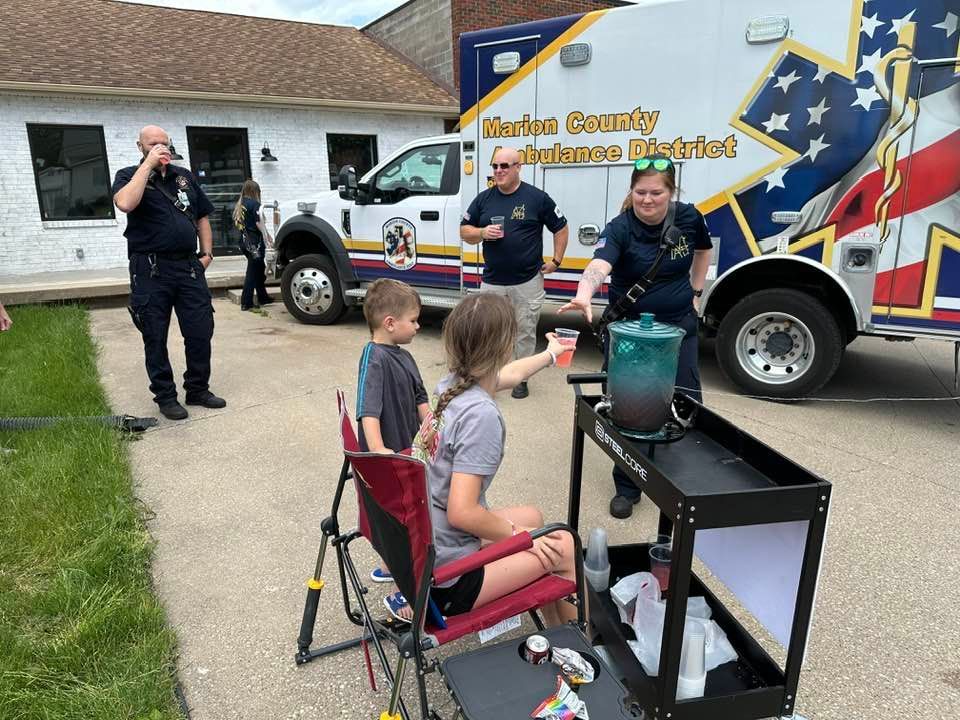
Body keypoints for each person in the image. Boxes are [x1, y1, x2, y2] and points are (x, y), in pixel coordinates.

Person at [560, 155, 712, 519]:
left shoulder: (689, 217)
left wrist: (696, 289)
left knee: (687, 404)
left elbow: (704, 250)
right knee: (629, 408)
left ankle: (677, 483)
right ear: (632, 192)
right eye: (640, 192)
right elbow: (598, 265)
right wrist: (584, 292)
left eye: (656, 192)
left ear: (671, 192)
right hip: (631, 335)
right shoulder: (620, 228)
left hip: (678, 328)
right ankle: (628, 485)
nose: (647, 199)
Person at [415, 293, 578, 625]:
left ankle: (557, 630)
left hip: (431, 545)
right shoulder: (481, 415)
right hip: (451, 580)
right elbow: (463, 512)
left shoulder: (453, 385)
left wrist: (550, 354)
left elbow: (513, 375)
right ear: (505, 348)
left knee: (535, 516)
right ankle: (583, 648)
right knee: (566, 545)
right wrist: (523, 538)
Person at [113, 125, 226, 421]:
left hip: (188, 266)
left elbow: (202, 216)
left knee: (201, 329)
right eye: (153, 144)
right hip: (150, 269)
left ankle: (198, 389)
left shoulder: (184, 177)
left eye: (164, 143)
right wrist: (148, 166)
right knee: (154, 334)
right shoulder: (128, 176)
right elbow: (125, 203)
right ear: (140, 147)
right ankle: (165, 396)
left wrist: (207, 254)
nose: (161, 147)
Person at [460, 147, 569, 400]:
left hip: (527, 280)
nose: (499, 171)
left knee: (525, 331)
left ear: (518, 167)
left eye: (505, 166)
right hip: (492, 281)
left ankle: (521, 378)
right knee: (488, 331)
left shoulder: (537, 198)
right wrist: (482, 233)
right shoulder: (483, 199)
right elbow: (464, 231)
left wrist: (556, 260)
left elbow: (561, 228)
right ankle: (487, 378)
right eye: (495, 166)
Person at [355, 279, 430, 603]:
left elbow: (419, 396)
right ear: (390, 323)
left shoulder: (404, 356)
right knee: (395, 518)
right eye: (412, 320)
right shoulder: (374, 358)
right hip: (387, 456)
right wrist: (377, 449)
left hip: (406, 448)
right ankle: (400, 583)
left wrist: (431, 427)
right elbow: (367, 408)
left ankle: (391, 566)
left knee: (401, 515)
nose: (417, 326)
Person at [232, 179, 275, 311]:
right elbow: (259, 223)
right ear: (255, 191)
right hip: (254, 242)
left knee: (258, 269)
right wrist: (267, 236)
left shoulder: (240, 204)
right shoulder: (254, 204)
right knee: (252, 272)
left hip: (244, 242)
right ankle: (246, 302)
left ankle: (263, 297)